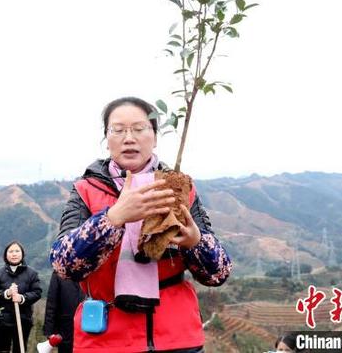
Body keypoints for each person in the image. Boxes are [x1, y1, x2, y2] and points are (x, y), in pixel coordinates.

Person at [50, 96, 232, 352]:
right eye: (119, 130)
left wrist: (196, 242)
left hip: (177, 339)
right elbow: (63, 265)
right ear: (106, 138)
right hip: (105, 341)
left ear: (155, 137)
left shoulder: (179, 188)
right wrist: (114, 217)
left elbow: (219, 274)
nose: (129, 138)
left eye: (139, 129)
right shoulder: (85, 190)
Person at [0, 241, 42, 353]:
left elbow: (37, 292)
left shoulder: (32, 274)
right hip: (3, 320)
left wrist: (22, 298)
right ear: (6, 255)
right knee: (2, 350)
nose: (14, 254)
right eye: (11, 251)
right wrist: (6, 293)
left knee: (20, 349)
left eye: (17, 251)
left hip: (23, 320)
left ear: (22, 254)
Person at [43, 271, 86, 353]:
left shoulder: (92, 269)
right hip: (65, 328)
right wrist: (49, 331)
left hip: (87, 327)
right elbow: (51, 303)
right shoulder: (58, 272)